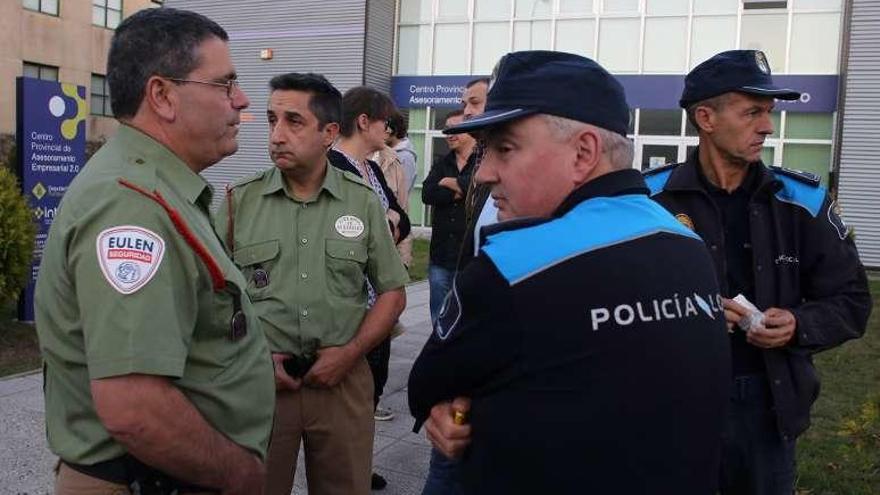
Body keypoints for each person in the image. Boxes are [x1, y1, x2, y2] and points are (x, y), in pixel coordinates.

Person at [407, 50, 732, 494]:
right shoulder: (687, 244)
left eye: (505, 148)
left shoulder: (515, 265)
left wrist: (448, 407)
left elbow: (426, 384)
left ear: (583, 153)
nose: (483, 173)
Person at [34, 8, 274, 494]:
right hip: (149, 480)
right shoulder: (133, 206)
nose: (242, 100)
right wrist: (238, 473)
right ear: (163, 96)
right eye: (225, 84)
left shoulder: (159, 187)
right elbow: (134, 408)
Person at [644, 49, 872, 495]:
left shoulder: (803, 202)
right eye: (752, 112)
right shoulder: (647, 202)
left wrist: (798, 324)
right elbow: (609, 301)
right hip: (669, 403)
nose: (767, 126)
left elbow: (852, 299)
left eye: (768, 112)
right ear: (705, 118)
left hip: (767, 404)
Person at [216, 73, 409, 495]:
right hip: (262, 387)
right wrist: (251, 359)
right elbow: (210, 297)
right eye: (271, 121)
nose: (277, 136)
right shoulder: (238, 202)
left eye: (293, 122)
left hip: (342, 384)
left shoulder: (361, 201)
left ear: (329, 133)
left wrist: (351, 353)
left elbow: (393, 294)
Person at [326, 86, 411, 489]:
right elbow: (344, 236)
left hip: (379, 301)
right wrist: (385, 225)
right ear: (364, 122)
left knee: (370, 391)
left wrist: (388, 224)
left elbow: (402, 222)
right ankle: (344, 469)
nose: (389, 130)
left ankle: (360, 464)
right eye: (385, 123)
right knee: (345, 393)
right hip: (347, 302)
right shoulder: (330, 166)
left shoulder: (373, 168)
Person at [422, 109, 477, 323]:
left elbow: (481, 186)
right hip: (441, 256)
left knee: (468, 318)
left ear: (469, 130)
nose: (449, 135)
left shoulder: (482, 161)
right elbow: (427, 193)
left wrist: (453, 183)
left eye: (455, 129)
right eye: (447, 131)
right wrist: (459, 192)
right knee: (439, 315)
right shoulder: (442, 163)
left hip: (469, 259)